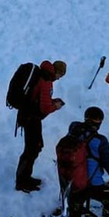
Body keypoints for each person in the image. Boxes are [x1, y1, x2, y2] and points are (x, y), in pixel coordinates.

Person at [15, 60, 67, 192]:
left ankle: (25, 177)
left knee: (34, 147)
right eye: (60, 75)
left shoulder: (42, 75)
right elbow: (44, 108)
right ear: (57, 72)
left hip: (27, 115)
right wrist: (55, 106)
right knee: (32, 149)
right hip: (31, 118)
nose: (59, 78)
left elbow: (41, 100)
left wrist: (52, 101)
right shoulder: (46, 81)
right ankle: (22, 181)